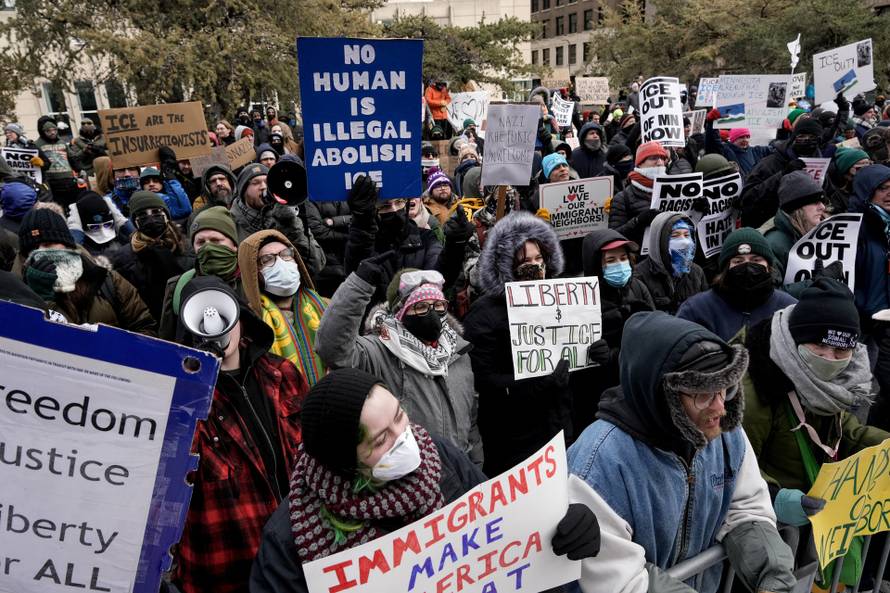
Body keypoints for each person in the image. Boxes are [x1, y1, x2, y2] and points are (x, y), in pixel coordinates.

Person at [249, 368, 601, 592]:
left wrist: (560, 527)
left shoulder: (441, 457)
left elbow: (503, 531)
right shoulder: (290, 538)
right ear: (345, 463)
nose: (405, 437)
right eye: (381, 439)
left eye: (400, 417)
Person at [567, 312, 796, 593]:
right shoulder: (599, 461)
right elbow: (620, 580)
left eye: (726, 388)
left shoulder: (725, 433)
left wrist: (772, 576)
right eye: (703, 395)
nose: (720, 407)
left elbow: (745, 508)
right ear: (663, 394)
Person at [741, 279, 888, 588]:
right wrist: (777, 499)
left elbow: (845, 431)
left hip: (807, 531)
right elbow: (734, 467)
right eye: (819, 346)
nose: (830, 359)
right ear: (797, 339)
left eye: (840, 350)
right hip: (763, 538)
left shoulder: (835, 386)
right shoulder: (754, 390)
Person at [172, 275, 307, 593]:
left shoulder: (282, 374)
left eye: (224, 316)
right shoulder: (182, 401)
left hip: (301, 552)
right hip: (231, 569)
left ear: (241, 320)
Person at [316, 265, 481, 463]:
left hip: (459, 474)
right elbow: (333, 349)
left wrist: (474, 466)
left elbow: (470, 422)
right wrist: (359, 285)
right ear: (401, 313)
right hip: (410, 476)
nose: (432, 313)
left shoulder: (458, 352)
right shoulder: (378, 351)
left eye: (438, 305)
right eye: (420, 307)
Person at [463, 211, 572, 476]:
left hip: (558, 425)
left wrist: (592, 353)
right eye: (524, 261)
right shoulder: (484, 314)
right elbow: (483, 381)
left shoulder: (561, 300)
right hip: (514, 439)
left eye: (539, 259)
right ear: (505, 267)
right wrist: (535, 382)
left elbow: (571, 355)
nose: (534, 266)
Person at [17, 208, 156, 334]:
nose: (41, 251)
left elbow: (145, 327)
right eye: (33, 248)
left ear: (67, 244)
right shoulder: (18, 290)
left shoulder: (106, 280)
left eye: (48, 244)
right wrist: (41, 300)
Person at [573, 229, 655, 434]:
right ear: (596, 265)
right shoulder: (580, 299)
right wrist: (594, 355)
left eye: (623, 257)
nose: (620, 264)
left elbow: (655, 336)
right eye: (610, 260)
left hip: (635, 390)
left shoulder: (638, 287)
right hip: (598, 399)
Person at [238, 229, 328, 387]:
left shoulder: (326, 306)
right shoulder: (249, 325)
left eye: (286, 254)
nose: (281, 263)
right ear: (253, 272)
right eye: (267, 259)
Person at [678, 228, 797, 342]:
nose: (748, 266)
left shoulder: (788, 308)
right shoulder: (696, 310)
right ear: (725, 268)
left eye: (756, 260)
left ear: (768, 266)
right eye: (738, 261)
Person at [343, 176, 444, 301]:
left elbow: (438, 275)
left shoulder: (426, 238)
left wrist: (456, 244)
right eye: (385, 206)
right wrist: (362, 224)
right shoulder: (363, 241)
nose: (395, 210)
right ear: (374, 211)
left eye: (399, 202)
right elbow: (355, 276)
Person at [158, 205, 241, 340]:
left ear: (234, 245)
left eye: (215, 240)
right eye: (201, 242)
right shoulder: (178, 286)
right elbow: (168, 339)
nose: (207, 247)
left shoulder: (254, 280)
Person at [230, 163, 325, 277]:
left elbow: (315, 265)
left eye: (266, 182)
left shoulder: (286, 217)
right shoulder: (230, 223)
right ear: (243, 191)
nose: (263, 187)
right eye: (255, 183)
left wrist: (291, 225)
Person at [849, 164, 890, 431]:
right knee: (852, 393)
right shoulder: (855, 227)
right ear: (867, 192)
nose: (889, 194)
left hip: (882, 322)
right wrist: (863, 307)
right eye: (882, 189)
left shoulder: (886, 224)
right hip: (860, 322)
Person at [110, 191, 193, 320]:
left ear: (166, 216)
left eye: (156, 213)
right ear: (135, 222)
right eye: (143, 216)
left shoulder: (187, 247)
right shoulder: (124, 257)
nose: (151, 219)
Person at [740, 118, 836, 228]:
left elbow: (830, 195)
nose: (807, 140)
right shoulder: (770, 163)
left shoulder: (819, 164)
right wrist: (782, 175)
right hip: (771, 226)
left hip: (805, 229)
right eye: (802, 136)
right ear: (793, 137)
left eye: (812, 137)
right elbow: (747, 199)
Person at [758, 170, 828, 297]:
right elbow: (771, 294)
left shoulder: (816, 231)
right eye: (815, 201)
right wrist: (816, 283)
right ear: (797, 208)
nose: (822, 207)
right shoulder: (773, 243)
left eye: (823, 201)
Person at [634, 213, 708, 314]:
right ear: (659, 240)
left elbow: (705, 311)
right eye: (675, 236)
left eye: (687, 235)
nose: (685, 242)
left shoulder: (697, 272)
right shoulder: (639, 276)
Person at [608, 141, 668, 246]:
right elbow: (614, 237)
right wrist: (638, 221)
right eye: (653, 158)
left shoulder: (675, 189)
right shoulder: (622, 198)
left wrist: (696, 212)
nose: (659, 163)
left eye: (662, 158)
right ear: (640, 163)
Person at [67, 191, 130, 260]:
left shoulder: (122, 239)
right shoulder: (85, 251)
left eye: (107, 225)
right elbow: (71, 256)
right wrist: (75, 226)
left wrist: (121, 221)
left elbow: (139, 238)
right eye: (94, 227)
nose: (104, 233)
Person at [35, 117, 81, 208]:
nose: (52, 133)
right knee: (58, 207)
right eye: (48, 131)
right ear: (43, 132)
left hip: (68, 180)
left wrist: (79, 170)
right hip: (51, 182)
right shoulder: (37, 145)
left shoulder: (62, 142)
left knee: (73, 206)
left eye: (54, 130)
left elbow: (71, 157)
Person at [826, 148, 871, 214]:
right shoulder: (834, 195)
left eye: (868, 166)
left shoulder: (873, 186)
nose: (865, 172)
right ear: (846, 169)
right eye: (859, 167)